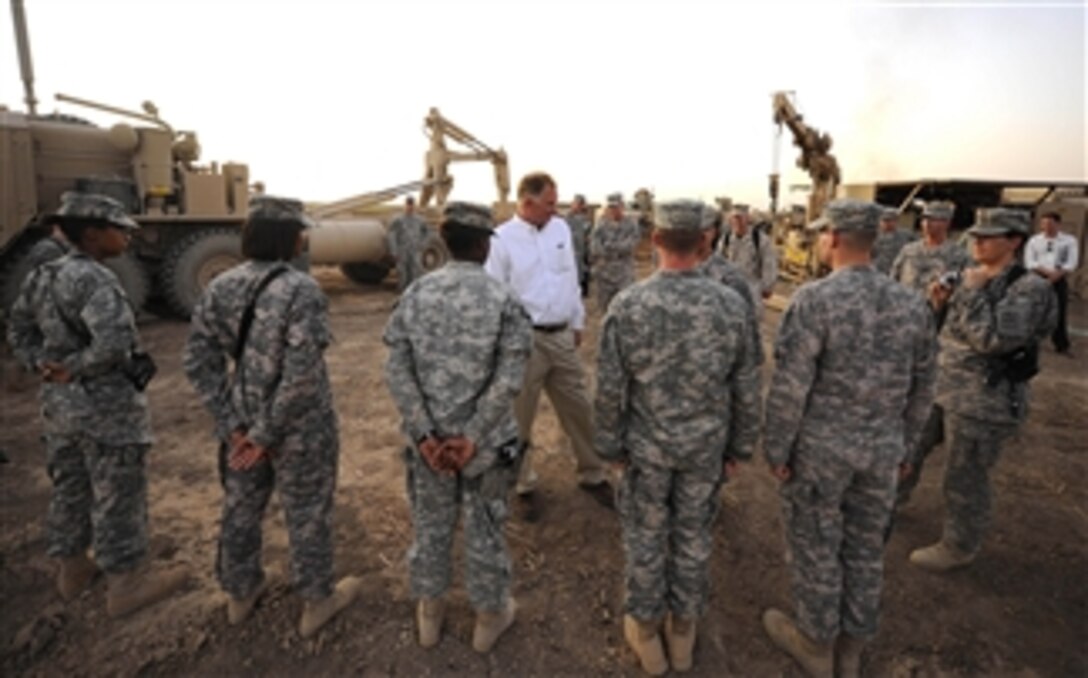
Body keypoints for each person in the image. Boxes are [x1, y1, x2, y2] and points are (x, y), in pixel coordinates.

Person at [761, 199, 936, 678]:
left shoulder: (815, 300)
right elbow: (925, 386)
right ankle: (852, 648)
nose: (819, 241)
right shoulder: (912, 303)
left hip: (822, 453)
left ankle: (817, 646)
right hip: (882, 451)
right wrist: (907, 447)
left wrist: (777, 449)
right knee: (864, 548)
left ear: (833, 238)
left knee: (817, 546)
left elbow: (790, 387)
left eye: (822, 234)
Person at [595, 200, 760, 675]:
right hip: (705, 449)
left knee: (646, 538)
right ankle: (682, 632)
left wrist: (610, 448)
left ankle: (646, 632)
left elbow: (609, 389)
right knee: (692, 538)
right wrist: (740, 447)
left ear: (656, 240)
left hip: (645, 451)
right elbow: (747, 386)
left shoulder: (628, 304)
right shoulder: (731, 305)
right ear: (706, 242)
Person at [184, 196, 360, 638]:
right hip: (300, 428)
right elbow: (301, 377)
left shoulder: (219, 287)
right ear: (287, 238)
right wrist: (265, 435)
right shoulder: (302, 290)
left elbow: (198, 363)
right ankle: (317, 601)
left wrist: (233, 427)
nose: (304, 238)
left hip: (241, 424)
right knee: (307, 511)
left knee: (241, 507)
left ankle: (239, 594)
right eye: (300, 231)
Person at [7, 192, 190, 616]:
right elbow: (113, 343)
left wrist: (45, 366)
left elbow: (17, 329)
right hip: (105, 409)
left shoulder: (42, 275)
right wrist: (76, 367)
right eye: (119, 229)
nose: (127, 235)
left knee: (70, 487)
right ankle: (127, 584)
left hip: (60, 409)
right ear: (92, 234)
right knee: (118, 492)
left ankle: (72, 570)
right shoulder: (94, 279)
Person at [384, 202, 532, 654]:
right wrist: (471, 435)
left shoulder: (416, 294)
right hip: (483, 446)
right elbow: (510, 379)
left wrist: (427, 434)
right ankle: (489, 618)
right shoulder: (504, 299)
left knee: (431, 526)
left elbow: (397, 370)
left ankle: (430, 614)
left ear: (445, 243)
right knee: (485, 527)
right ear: (486, 244)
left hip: (428, 447)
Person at [910, 209, 1057, 572]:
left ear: (1014, 242)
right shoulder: (968, 277)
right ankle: (888, 506)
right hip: (942, 386)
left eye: (989, 236)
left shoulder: (1029, 288)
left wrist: (973, 294)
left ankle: (960, 545)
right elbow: (942, 332)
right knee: (908, 449)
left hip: (983, 401)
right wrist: (939, 304)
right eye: (976, 235)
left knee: (965, 476)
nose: (978, 242)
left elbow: (994, 340)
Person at [484, 172, 612, 521]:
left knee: (579, 407)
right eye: (551, 204)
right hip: (524, 341)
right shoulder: (501, 240)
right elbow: (494, 293)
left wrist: (577, 321)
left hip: (561, 337)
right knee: (519, 418)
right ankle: (524, 484)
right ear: (527, 203)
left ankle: (592, 473)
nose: (557, 210)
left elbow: (570, 277)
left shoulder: (560, 230)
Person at [890, 200, 972, 505]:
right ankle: (894, 491)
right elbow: (891, 284)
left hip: (937, 337)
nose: (928, 224)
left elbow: (966, 300)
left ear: (947, 223)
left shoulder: (959, 257)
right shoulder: (909, 252)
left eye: (936, 219)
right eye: (925, 219)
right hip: (902, 334)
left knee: (921, 411)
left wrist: (944, 303)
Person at [699, 209, 765, 365]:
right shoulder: (728, 239)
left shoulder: (730, 276)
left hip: (751, 284)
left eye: (704, 230)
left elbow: (747, 329)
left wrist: (766, 285)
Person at [1024, 211, 1078, 355]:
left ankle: (1062, 345)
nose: (1046, 227)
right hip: (1038, 276)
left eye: (1050, 224)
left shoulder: (1069, 241)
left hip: (1059, 277)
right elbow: (1030, 261)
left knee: (1059, 312)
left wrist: (1057, 275)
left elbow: (1071, 262)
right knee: (1033, 311)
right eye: (1044, 224)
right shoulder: (1034, 241)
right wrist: (1046, 274)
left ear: (1058, 224)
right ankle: (1028, 343)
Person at [718, 203, 778, 314]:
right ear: (731, 220)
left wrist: (767, 286)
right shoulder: (725, 240)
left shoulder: (760, 240)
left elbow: (769, 264)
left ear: (747, 219)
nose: (737, 222)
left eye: (740, 218)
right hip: (728, 292)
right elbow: (717, 263)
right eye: (735, 218)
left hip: (751, 293)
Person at [590, 192, 641, 312]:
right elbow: (595, 246)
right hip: (604, 274)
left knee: (625, 307)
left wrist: (609, 246)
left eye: (616, 207)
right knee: (605, 309)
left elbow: (630, 245)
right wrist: (614, 249)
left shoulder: (631, 224)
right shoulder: (601, 224)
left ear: (622, 206)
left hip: (624, 273)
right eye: (610, 207)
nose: (613, 210)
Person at [387, 196, 431, 293]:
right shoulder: (398, 220)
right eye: (408, 205)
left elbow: (427, 232)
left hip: (415, 249)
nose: (410, 207)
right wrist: (394, 251)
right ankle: (402, 291)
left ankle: (414, 291)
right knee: (402, 272)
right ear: (405, 206)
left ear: (414, 206)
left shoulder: (420, 220)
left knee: (416, 270)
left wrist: (423, 244)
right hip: (402, 250)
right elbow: (392, 235)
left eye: (412, 205)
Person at [871, 206, 916, 275]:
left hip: (898, 273)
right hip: (877, 273)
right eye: (885, 220)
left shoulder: (907, 235)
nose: (888, 223)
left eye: (891, 220)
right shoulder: (872, 236)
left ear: (896, 221)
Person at [566, 193, 593, 298]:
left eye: (581, 204)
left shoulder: (585, 219)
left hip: (583, 253)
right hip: (571, 253)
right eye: (577, 203)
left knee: (583, 276)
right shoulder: (566, 219)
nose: (579, 206)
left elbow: (589, 235)